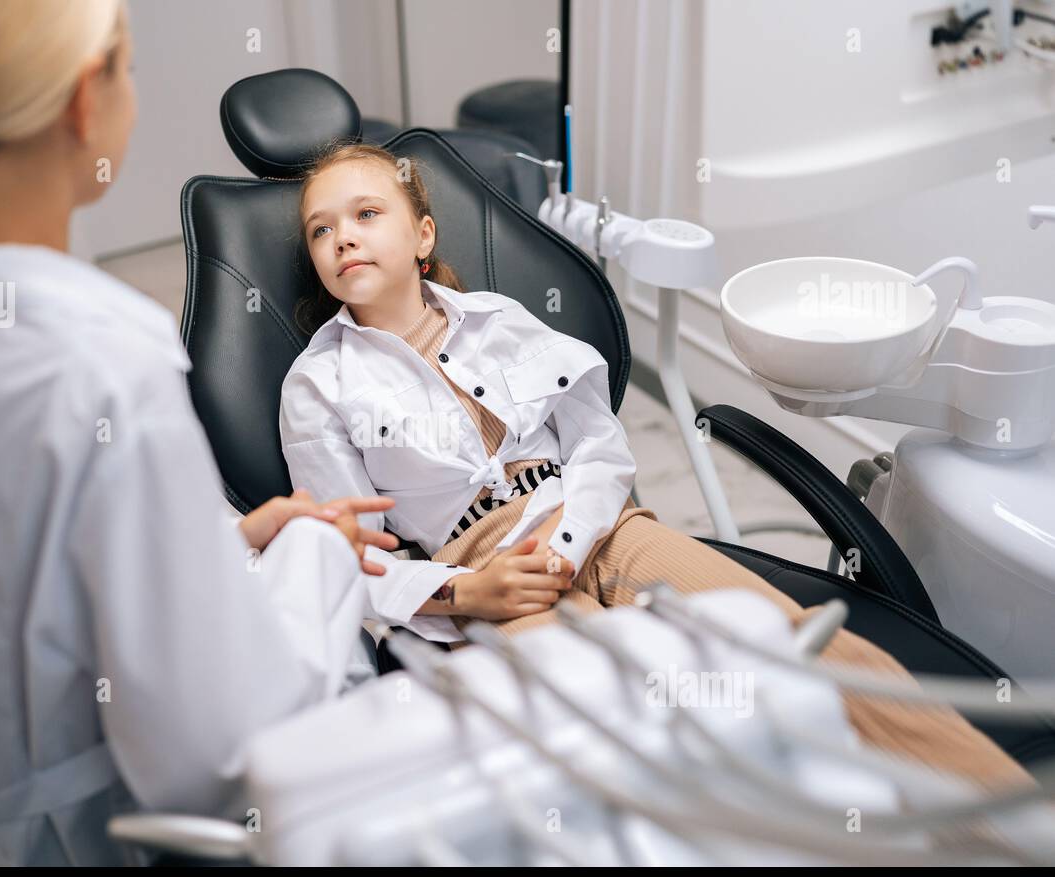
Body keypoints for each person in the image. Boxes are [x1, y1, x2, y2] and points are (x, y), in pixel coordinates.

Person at [0, 0, 395, 865]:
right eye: (128, 66)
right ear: (83, 102)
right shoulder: (103, 359)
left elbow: (9, 559)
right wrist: (317, 561)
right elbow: (210, 763)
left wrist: (224, 540)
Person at [280, 142, 1034, 791]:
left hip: (601, 526)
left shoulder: (500, 323)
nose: (343, 237)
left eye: (366, 214)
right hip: (489, 578)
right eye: (322, 229)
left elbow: (599, 448)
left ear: (422, 233)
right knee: (632, 724)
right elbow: (348, 558)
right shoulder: (317, 386)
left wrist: (573, 541)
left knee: (792, 643)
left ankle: (1012, 827)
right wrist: (470, 589)